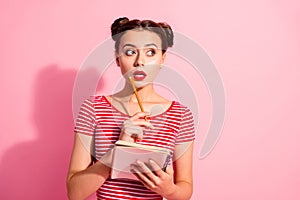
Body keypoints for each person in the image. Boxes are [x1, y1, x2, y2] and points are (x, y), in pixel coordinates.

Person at [67, 17, 195, 200]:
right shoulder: (93, 109)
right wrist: (119, 151)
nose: (139, 62)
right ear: (117, 59)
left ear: (163, 58)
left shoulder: (181, 115)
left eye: (150, 52)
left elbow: (185, 189)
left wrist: (169, 190)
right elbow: (74, 193)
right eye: (129, 52)